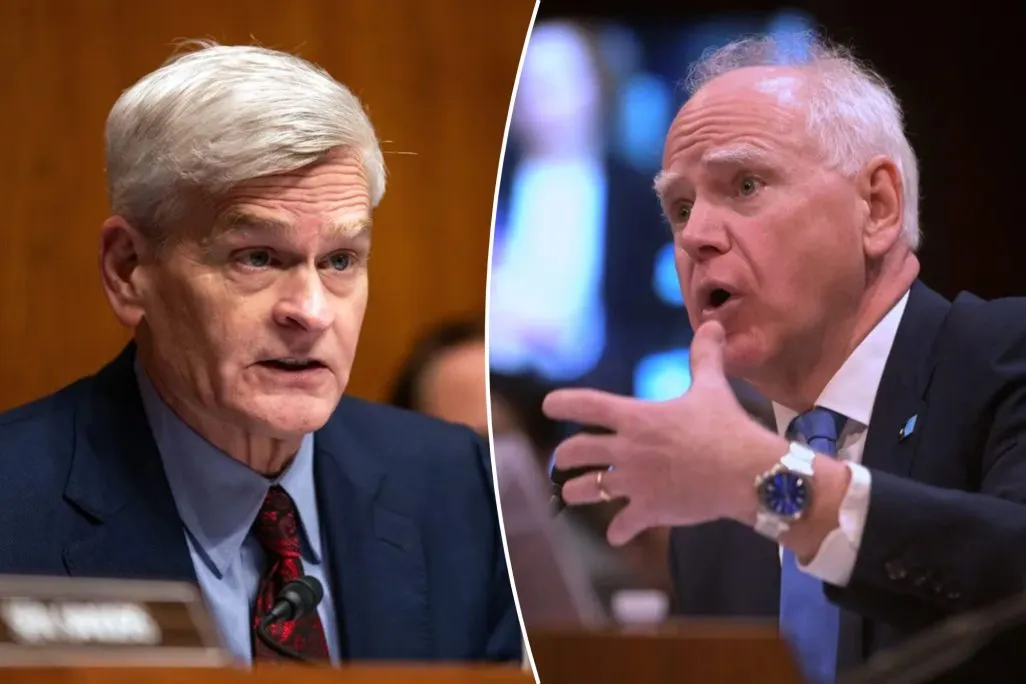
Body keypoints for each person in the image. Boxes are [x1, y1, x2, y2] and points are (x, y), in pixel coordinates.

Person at [0, 41, 521, 666]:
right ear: (129, 268)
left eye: (339, 261)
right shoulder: (15, 500)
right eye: (257, 257)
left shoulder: (454, 484)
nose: (311, 310)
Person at [543, 34, 1026, 682]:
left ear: (877, 206)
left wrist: (773, 485)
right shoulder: (714, 518)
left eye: (745, 184)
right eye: (679, 208)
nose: (696, 237)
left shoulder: (1004, 354)